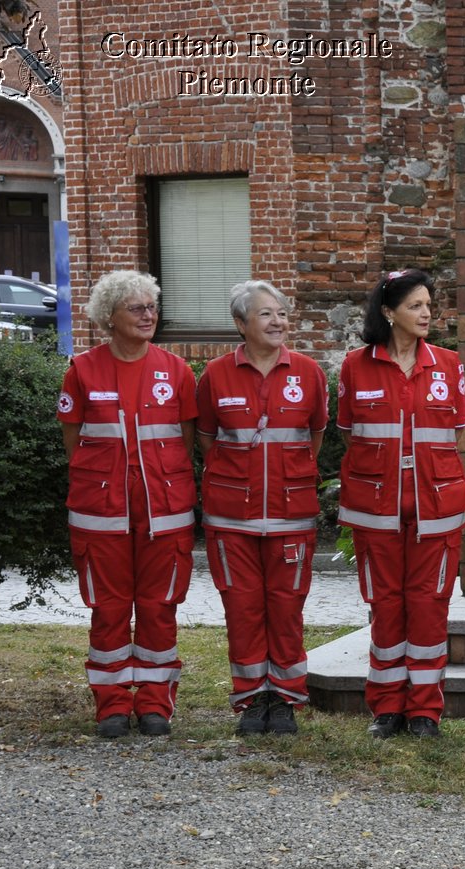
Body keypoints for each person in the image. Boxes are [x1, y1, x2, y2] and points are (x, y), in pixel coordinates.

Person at [57, 270, 197, 738]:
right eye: (136, 308)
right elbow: (74, 442)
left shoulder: (176, 370)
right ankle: (112, 705)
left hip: (166, 512)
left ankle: (156, 703)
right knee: (110, 609)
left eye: (151, 306)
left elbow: (187, 440)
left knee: (160, 607)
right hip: (100, 515)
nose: (147, 315)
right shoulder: (82, 369)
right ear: (108, 317)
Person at [337, 269, 465, 740]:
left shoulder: (449, 365)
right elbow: (352, 432)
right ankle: (387, 707)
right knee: (385, 605)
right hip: (375, 510)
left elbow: (453, 433)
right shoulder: (356, 366)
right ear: (389, 313)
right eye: (415, 306)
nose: (426, 312)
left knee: (429, 605)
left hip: (437, 507)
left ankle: (425, 711)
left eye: (429, 304)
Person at [195, 281, 329, 736]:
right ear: (240, 324)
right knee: (243, 609)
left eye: (282, 314)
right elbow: (208, 439)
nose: (278, 322)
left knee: (287, 608)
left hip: (292, 516)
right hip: (231, 519)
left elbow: (314, 436)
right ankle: (253, 699)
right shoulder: (215, 374)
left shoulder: (309, 372)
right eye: (266, 315)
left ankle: (286, 698)